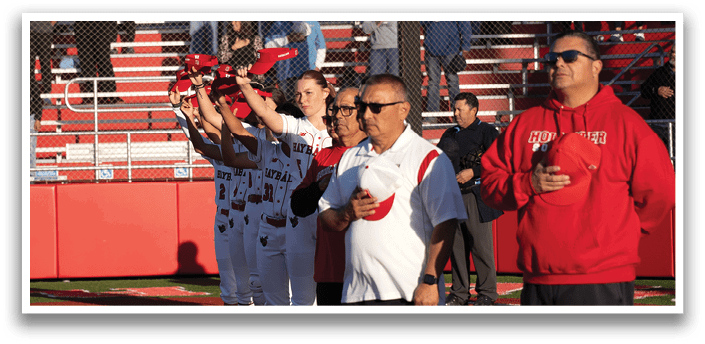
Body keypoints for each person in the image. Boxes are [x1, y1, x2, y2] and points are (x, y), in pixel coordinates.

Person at [480, 30, 676, 305]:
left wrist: (621, 235)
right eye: (551, 59)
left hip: (604, 278)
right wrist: (527, 184)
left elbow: (661, 192)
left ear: (597, 66)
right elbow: (489, 185)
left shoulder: (628, 125)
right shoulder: (524, 125)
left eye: (570, 57)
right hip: (537, 279)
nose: (559, 64)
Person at [318, 74, 467, 305]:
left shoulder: (427, 157)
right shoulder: (349, 158)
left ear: (403, 110)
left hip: (409, 292)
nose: (366, 114)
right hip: (356, 293)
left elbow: (446, 224)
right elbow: (326, 216)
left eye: (376, 107)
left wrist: (429, 281)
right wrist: (346, 213)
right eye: (362, 106)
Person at [234, 66, 335, 306]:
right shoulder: (296, 126)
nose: (302, 99)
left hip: (331, 219)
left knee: (329, 295)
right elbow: (268, 116)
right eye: (299, 94)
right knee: (299, 299)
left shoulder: (340, 130)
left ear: (326, 92)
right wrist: (246, 87)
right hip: (299, 218)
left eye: (309, 93)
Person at [217, 86, 295, 306]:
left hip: (294, 225)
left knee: (301, 294)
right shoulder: (268, 150)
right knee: (259, 286)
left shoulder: (305, 152)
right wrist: (224, 112)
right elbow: (232, 154)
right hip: (264, 222)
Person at [289, 87, 368, 305]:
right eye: (335, 111)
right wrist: (321, 187)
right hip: (329, 268)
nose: (337, 117)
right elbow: (298, 205)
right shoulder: (323, 156)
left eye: (346, 110)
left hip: (364, 268)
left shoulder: (375, 152)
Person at [168, 85, 242, 305]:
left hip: (247, 217)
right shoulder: (217, 151)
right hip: (224, 218)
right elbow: (196, 141)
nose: (200, 120)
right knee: (228, 286)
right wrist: (178, 110)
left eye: (204, 115)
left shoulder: (250, 146)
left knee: (252, 283)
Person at [436, 92, 504, 306]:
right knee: (456, 247)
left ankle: (487, 293)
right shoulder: (449, 133)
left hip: (476, 196)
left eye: (459, 109)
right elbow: (438, 160)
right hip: (452, 196)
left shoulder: (487, 131)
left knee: (480, 247)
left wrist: (473, 172)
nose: (455, 113)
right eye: (454, 109)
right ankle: (459, 293)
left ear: (474, 110)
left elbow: (500, 160)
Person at [420, 21, 474, 113]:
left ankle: (456, 113)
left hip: (451, 50)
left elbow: (464, 24)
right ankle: (432, 114)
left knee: (452, 82)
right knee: (433, 82)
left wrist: (466, 46)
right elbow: (420, 22)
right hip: (431, 49)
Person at [259, 21, 313, 100]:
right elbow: (268, 45)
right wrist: (288, 39)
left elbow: (318, 45)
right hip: (284, 74)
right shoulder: (278, 25)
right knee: (287, 101)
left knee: (304, 100)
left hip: (303, 71)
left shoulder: (307, 24)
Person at [73, 21, 124, 104]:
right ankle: (92, 94)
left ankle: (110, 94)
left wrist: (112, 31)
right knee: (87, 63)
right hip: (83, 27)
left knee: (103, 61)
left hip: (101, 26)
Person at [640, 44, 675, 152]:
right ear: (669, 54)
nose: (675, 55)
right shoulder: (659, 72)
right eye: (673, 52)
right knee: (659, 154)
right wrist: (657, 90)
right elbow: (644, 91)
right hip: (659, 122)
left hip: (678, 123)